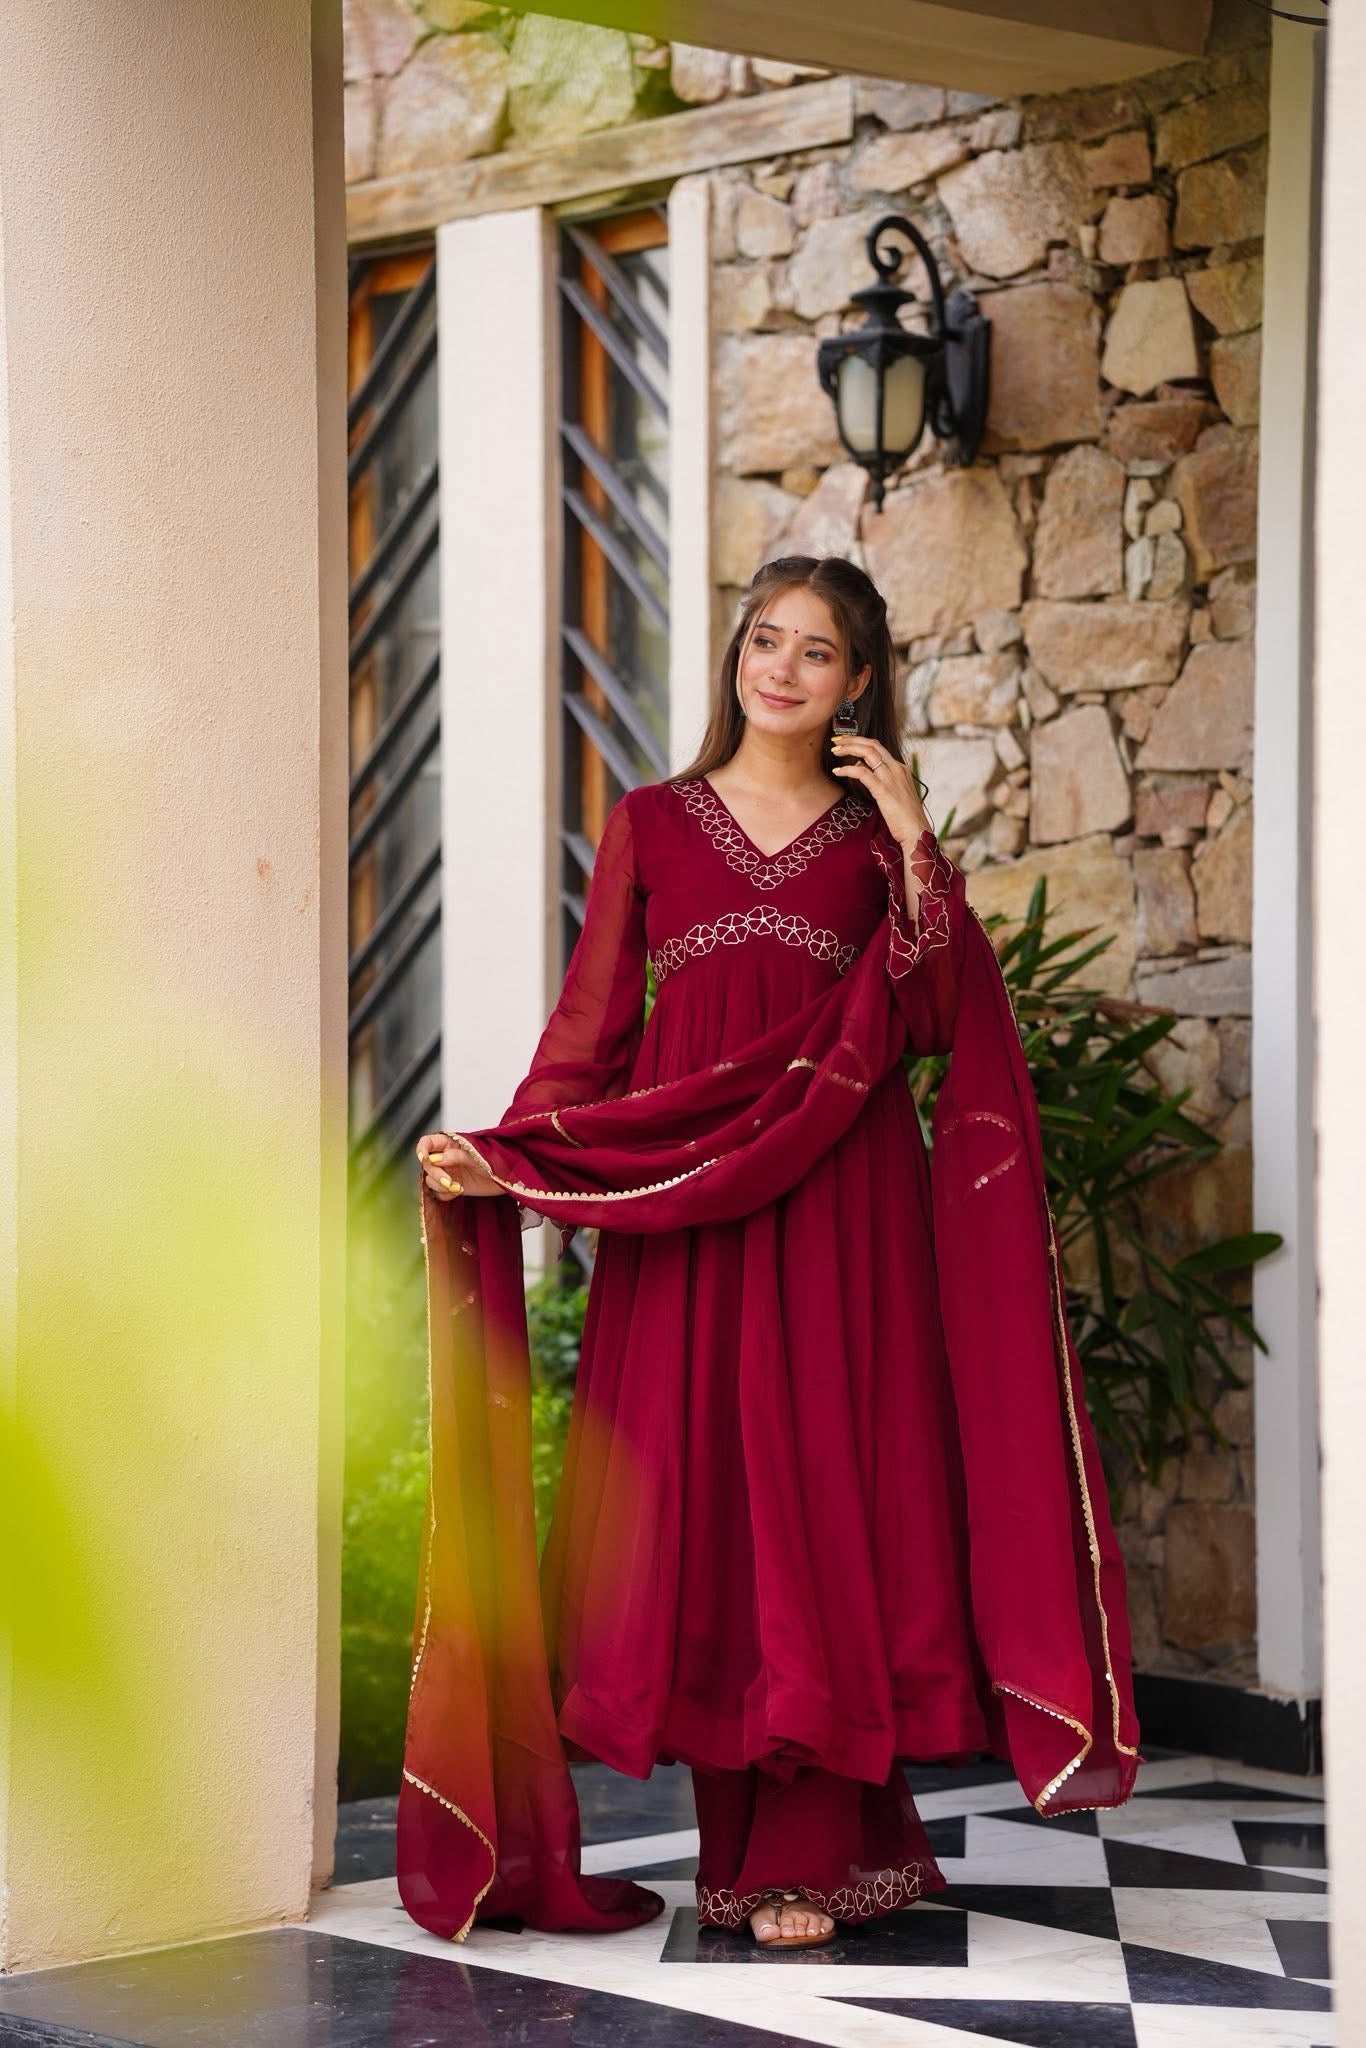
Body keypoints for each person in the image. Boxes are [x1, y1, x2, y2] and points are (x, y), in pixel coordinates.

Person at [404, 554, 1139, 1954]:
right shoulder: (652, 823)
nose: (781, 669)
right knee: (706, 1508)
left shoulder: (874, 847)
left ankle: (801, 1859)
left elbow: (937, 1015)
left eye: (815, 651)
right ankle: (762, 1857)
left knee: (821, 1496)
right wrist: (521, 1154)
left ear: (858, 683)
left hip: (842, 1213)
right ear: (737, 657)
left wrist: (914, 838)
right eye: (764, 641)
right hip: (691, 1221)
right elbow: (592, 1029)